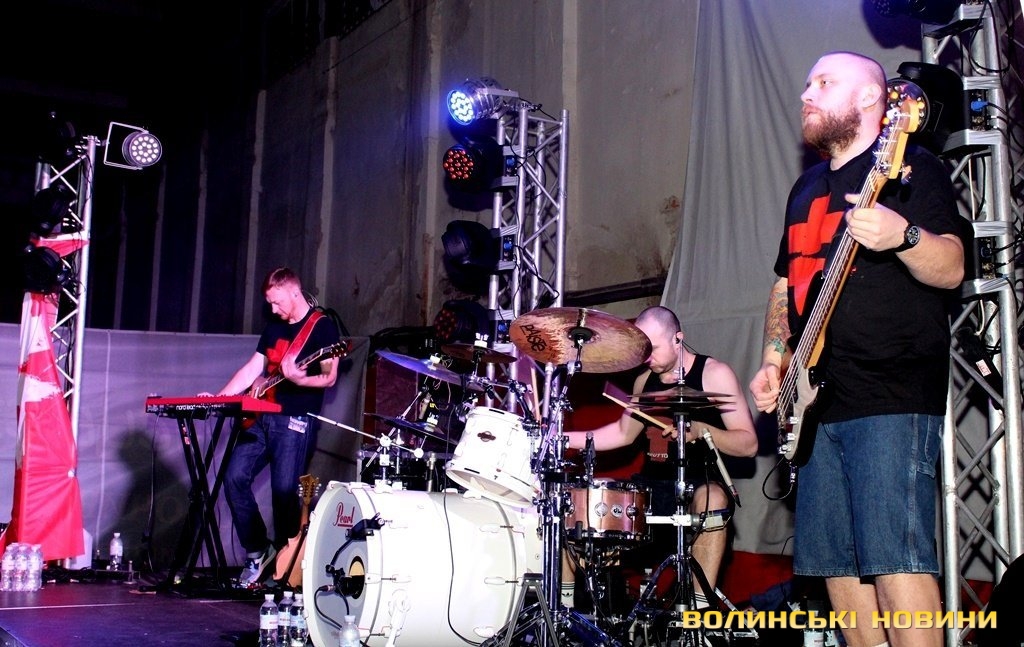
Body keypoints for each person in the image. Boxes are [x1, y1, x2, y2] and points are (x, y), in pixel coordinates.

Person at [749, 51, 965, 647]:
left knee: (896, 560)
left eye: (824, 82)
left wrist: (904, 236)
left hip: (891, 391)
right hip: (815, 403)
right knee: (837, 571)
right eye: (807, 82)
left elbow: (952, 267)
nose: (806, 93)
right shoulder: (804, 188)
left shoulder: (912, 168)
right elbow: (784, 283)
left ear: (871, 97)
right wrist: (774, 361)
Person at [564, 305, 757, 609]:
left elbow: (748, 444)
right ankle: (573, 611)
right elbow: (622, 433)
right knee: (584, 502)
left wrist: (703, 430)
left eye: (652, 348)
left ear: (677, 338)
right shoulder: (644, 381)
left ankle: (697, 615)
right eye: (643, 349)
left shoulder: (714, 374)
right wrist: (563, 437)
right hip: (653, 488)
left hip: (700, 484)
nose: (646, 357)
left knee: (713, 499)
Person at [209, 267, 341, 588]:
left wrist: (300, 379)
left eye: (277, 302)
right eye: (269, 302)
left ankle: (286, 568)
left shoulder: (322, 327)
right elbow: (251, 370)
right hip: (261, 417)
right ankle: (258, 550)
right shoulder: (273, 328)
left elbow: (329, 377)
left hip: (294, 420)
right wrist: (220, 398)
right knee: (234, 477)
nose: (273, 309)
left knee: (283, 493)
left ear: (295, 292)